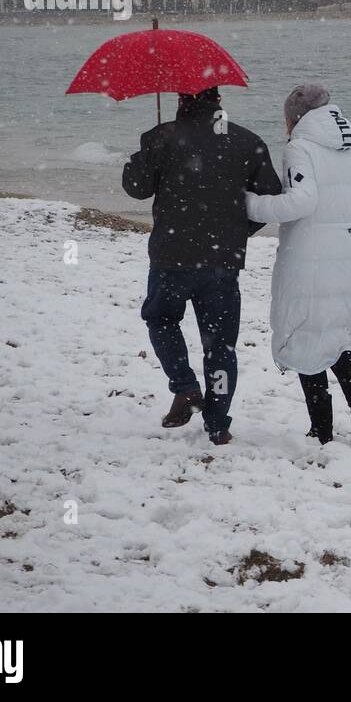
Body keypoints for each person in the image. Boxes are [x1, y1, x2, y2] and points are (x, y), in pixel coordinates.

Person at [122, 86, 281, 446]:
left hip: (171, 257)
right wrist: (238, 231)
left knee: (161, 319)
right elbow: (270, 196)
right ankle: (217, 422)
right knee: (221, 346)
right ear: (218, 100)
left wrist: (148, 150)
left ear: (181, 100)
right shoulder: (247, 141)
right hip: (222, 262)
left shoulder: (162, 137)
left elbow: (135, 187)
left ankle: (185, 386)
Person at [245, 83, 351, 446]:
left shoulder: (300, 148)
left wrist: (251, 205)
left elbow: (301, 202)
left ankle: (321, 428)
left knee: (306, 339)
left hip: (312, 263)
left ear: (295, 118)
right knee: (338, 336)